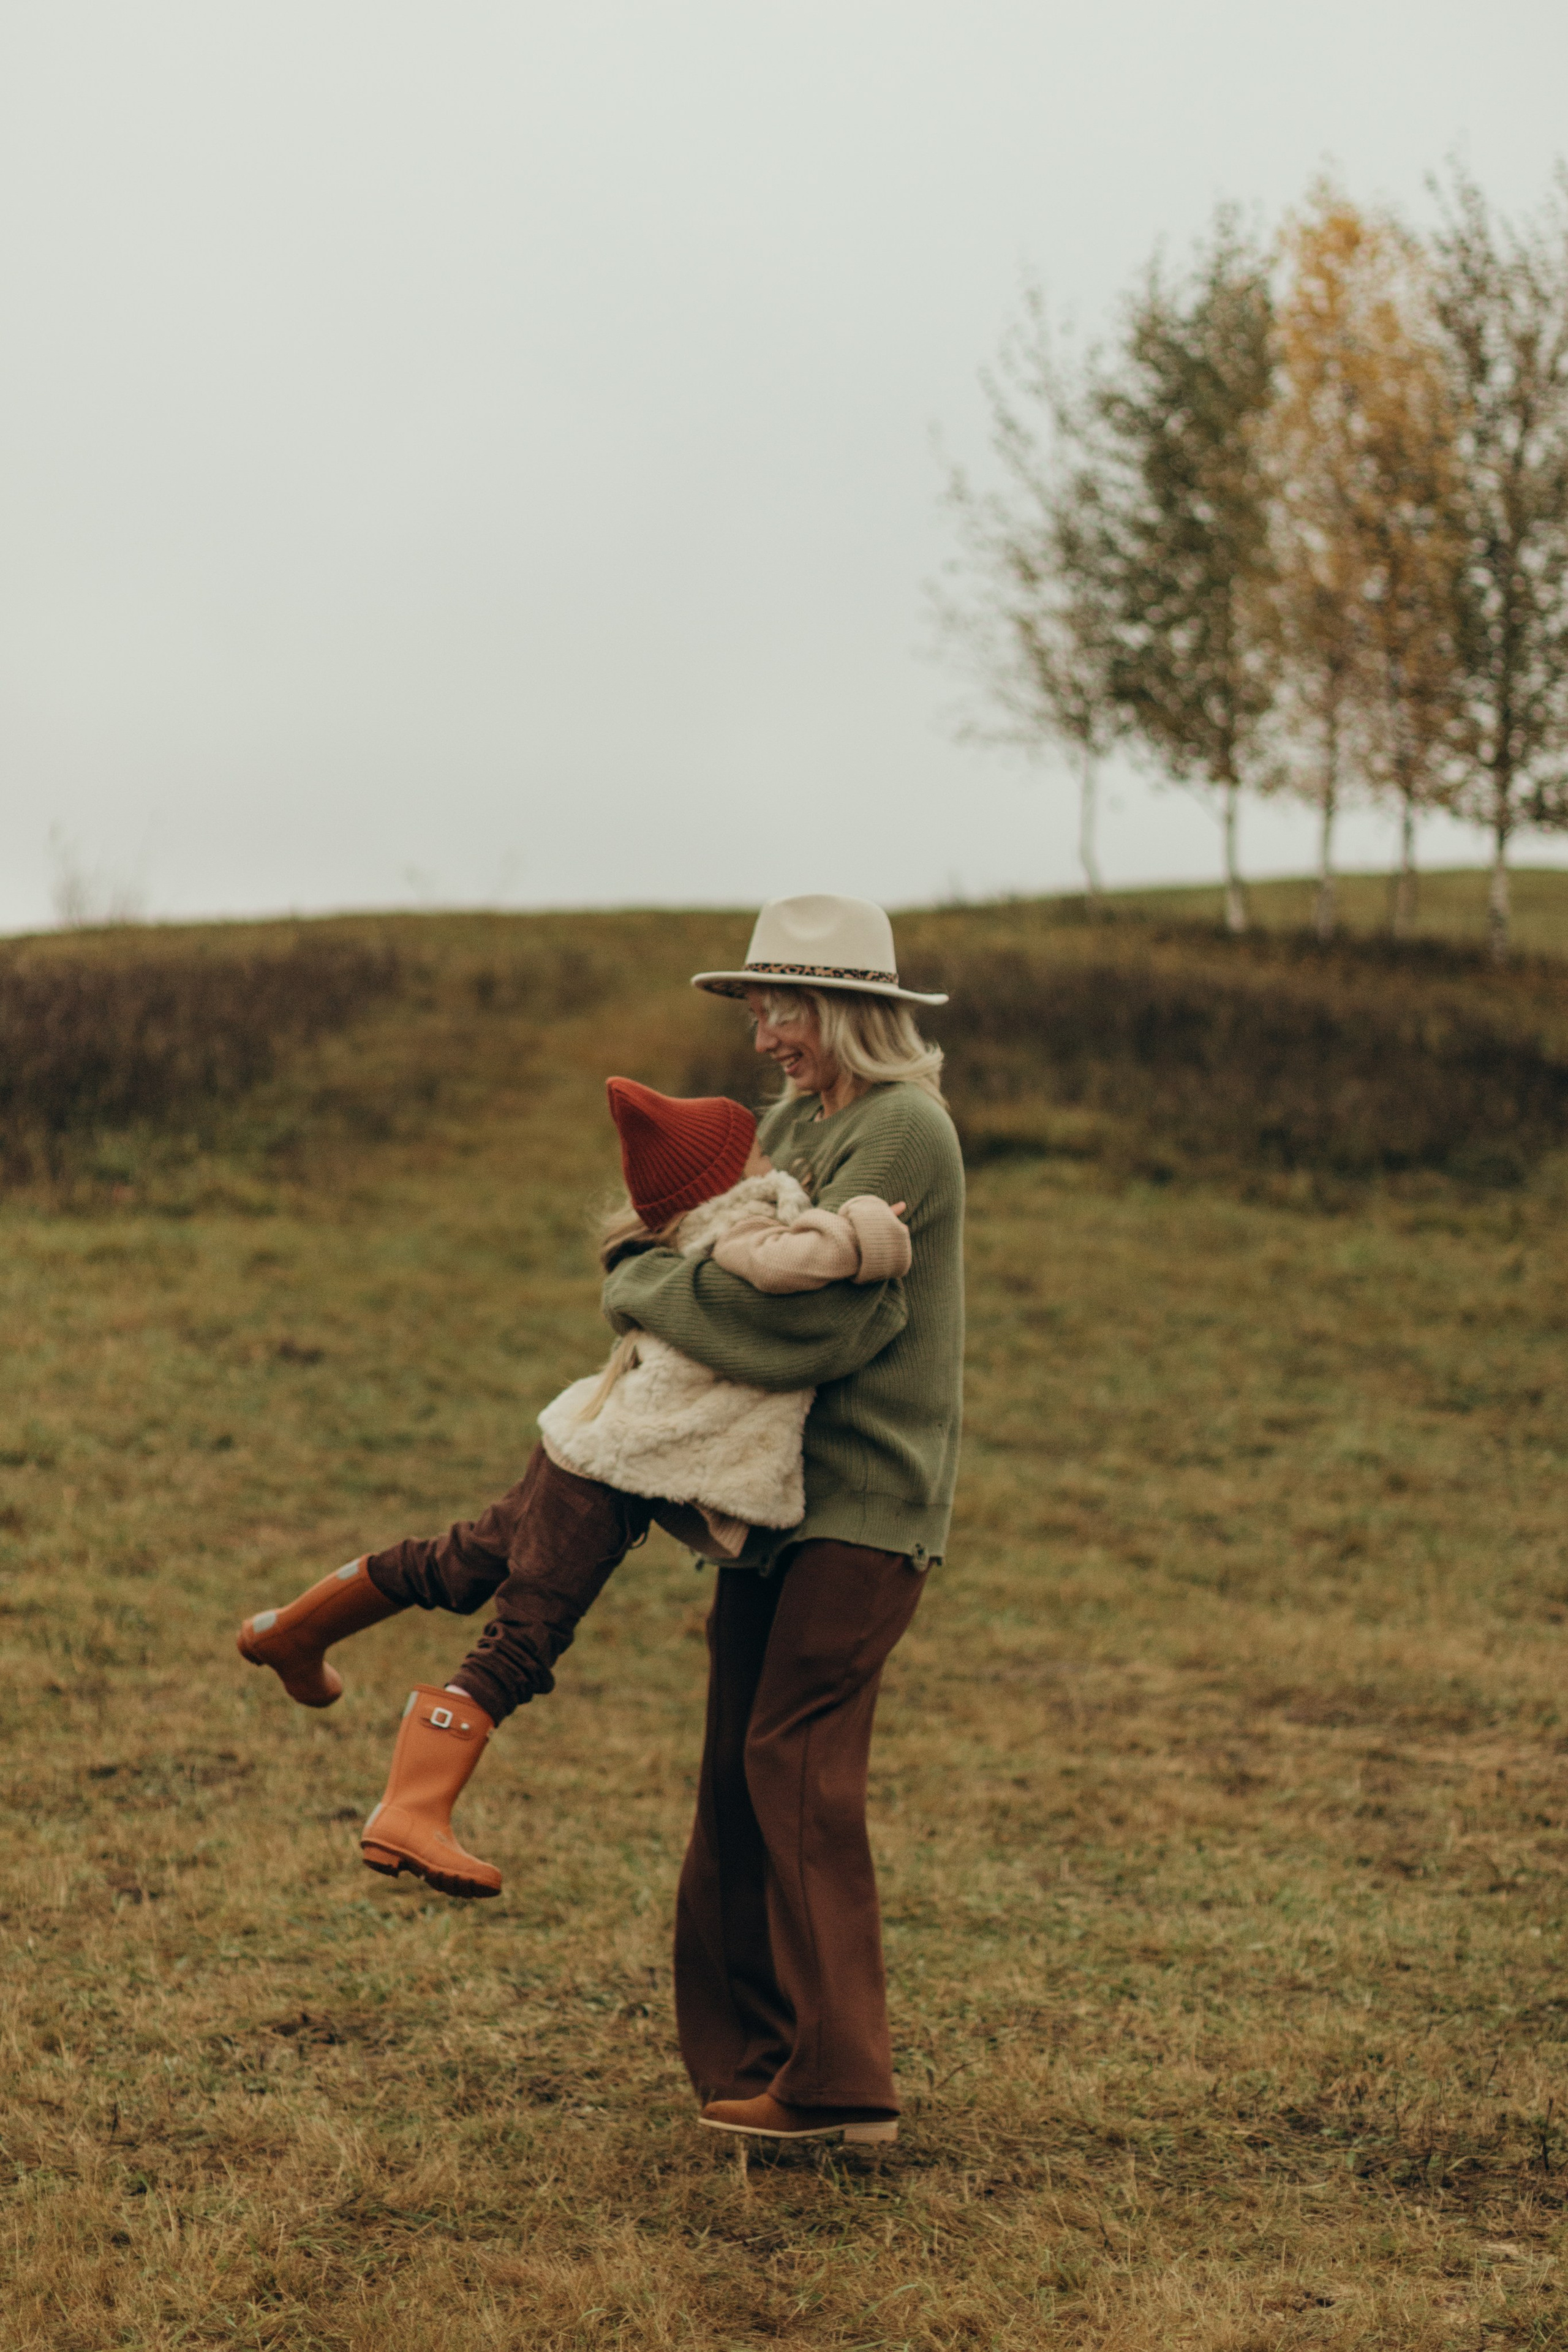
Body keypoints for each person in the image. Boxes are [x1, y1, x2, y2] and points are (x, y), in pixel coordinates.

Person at [242, 892, 965, 2150]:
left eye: (780, 1010)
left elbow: (807, 1325)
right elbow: (668, 1251)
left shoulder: (904, 1134)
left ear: (847, 1010)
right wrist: (654, 1274)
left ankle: (842, 2087)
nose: (762, 1038)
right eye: (754, 1010)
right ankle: (749, 2062)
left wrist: (650, 1282)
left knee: (792, 1767)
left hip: (862, 1505)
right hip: (764, 1501)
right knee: (735, 1776)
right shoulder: (796, 1121)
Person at [238, 1069, 909, 1895]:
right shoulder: (735, 1233)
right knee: (527, 1633)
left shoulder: (705, 1229)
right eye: (758, 1149)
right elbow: (793, 1265)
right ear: (730, 1177)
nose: (775, 1156)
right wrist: (873, 1228)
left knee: (458, 1565)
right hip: (607, 1472)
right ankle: (410, 1813)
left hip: (588, 1449)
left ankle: (293, 1635)